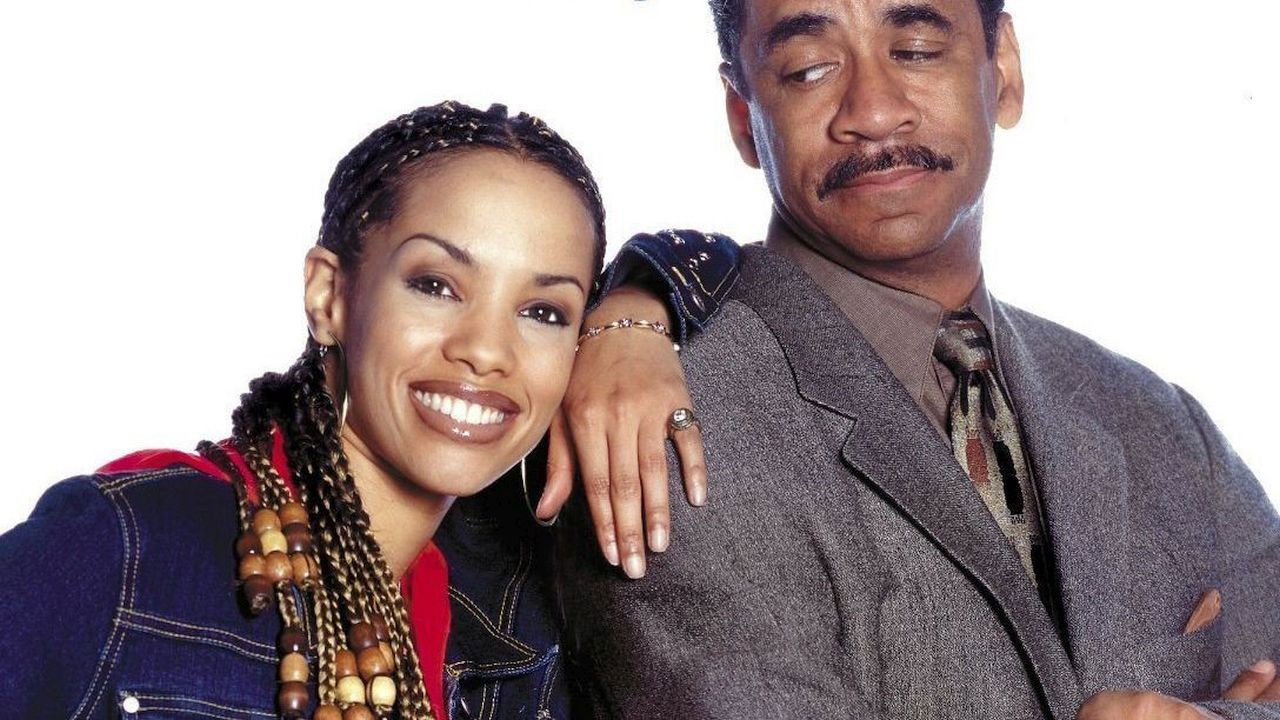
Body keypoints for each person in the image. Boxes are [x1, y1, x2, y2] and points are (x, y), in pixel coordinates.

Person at [557, 1, 1280, 718]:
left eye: (915, 50)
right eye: (809, 69)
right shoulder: (665, 427)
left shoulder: (1162, 423)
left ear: (1004, 69)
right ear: (743, 116)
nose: (874, 112)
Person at [0, 101, 736, 720]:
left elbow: (742, 260)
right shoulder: (125, 550)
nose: (486, 350)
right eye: (436, 285)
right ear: (330, 295)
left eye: (543, 312)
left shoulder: (506, 636)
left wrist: (635, 317)